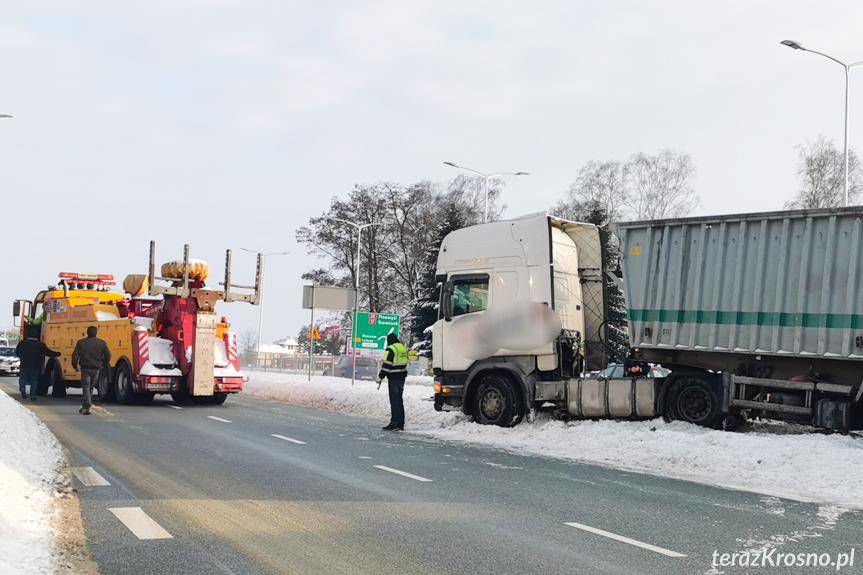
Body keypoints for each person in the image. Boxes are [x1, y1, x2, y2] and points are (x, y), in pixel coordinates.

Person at [72, 326, 111, 415]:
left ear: (87, 332)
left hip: (85, 368)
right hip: (96, 369)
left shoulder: (81, 342)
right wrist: (103, 363)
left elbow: (75, 355)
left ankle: (87, 404)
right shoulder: (102, 343)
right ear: (96, 333)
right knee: (90, 387)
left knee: (86, 387)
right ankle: (86, 407)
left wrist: (75, 365)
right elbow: (108, 355)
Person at [14, 327, 60, 401]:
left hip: (24, 364)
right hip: (35, 365)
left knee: (22, 379)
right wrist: (57, 354)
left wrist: (23, 357)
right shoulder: (40, 344)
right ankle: (32, 395)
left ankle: (23, 390)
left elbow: (17, 352)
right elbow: (48, 352)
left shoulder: (22, 343)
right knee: (34, 380)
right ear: (36, 335)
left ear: (28, 335)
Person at [377, 332, 409, 431]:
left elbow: (387, 365)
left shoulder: (391, 349)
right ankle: (400, 423)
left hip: (394, 378)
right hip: (401, 377)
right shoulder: (402, 348)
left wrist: (381, 376)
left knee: (394, 401)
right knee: (399, 400)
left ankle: (394, 423)